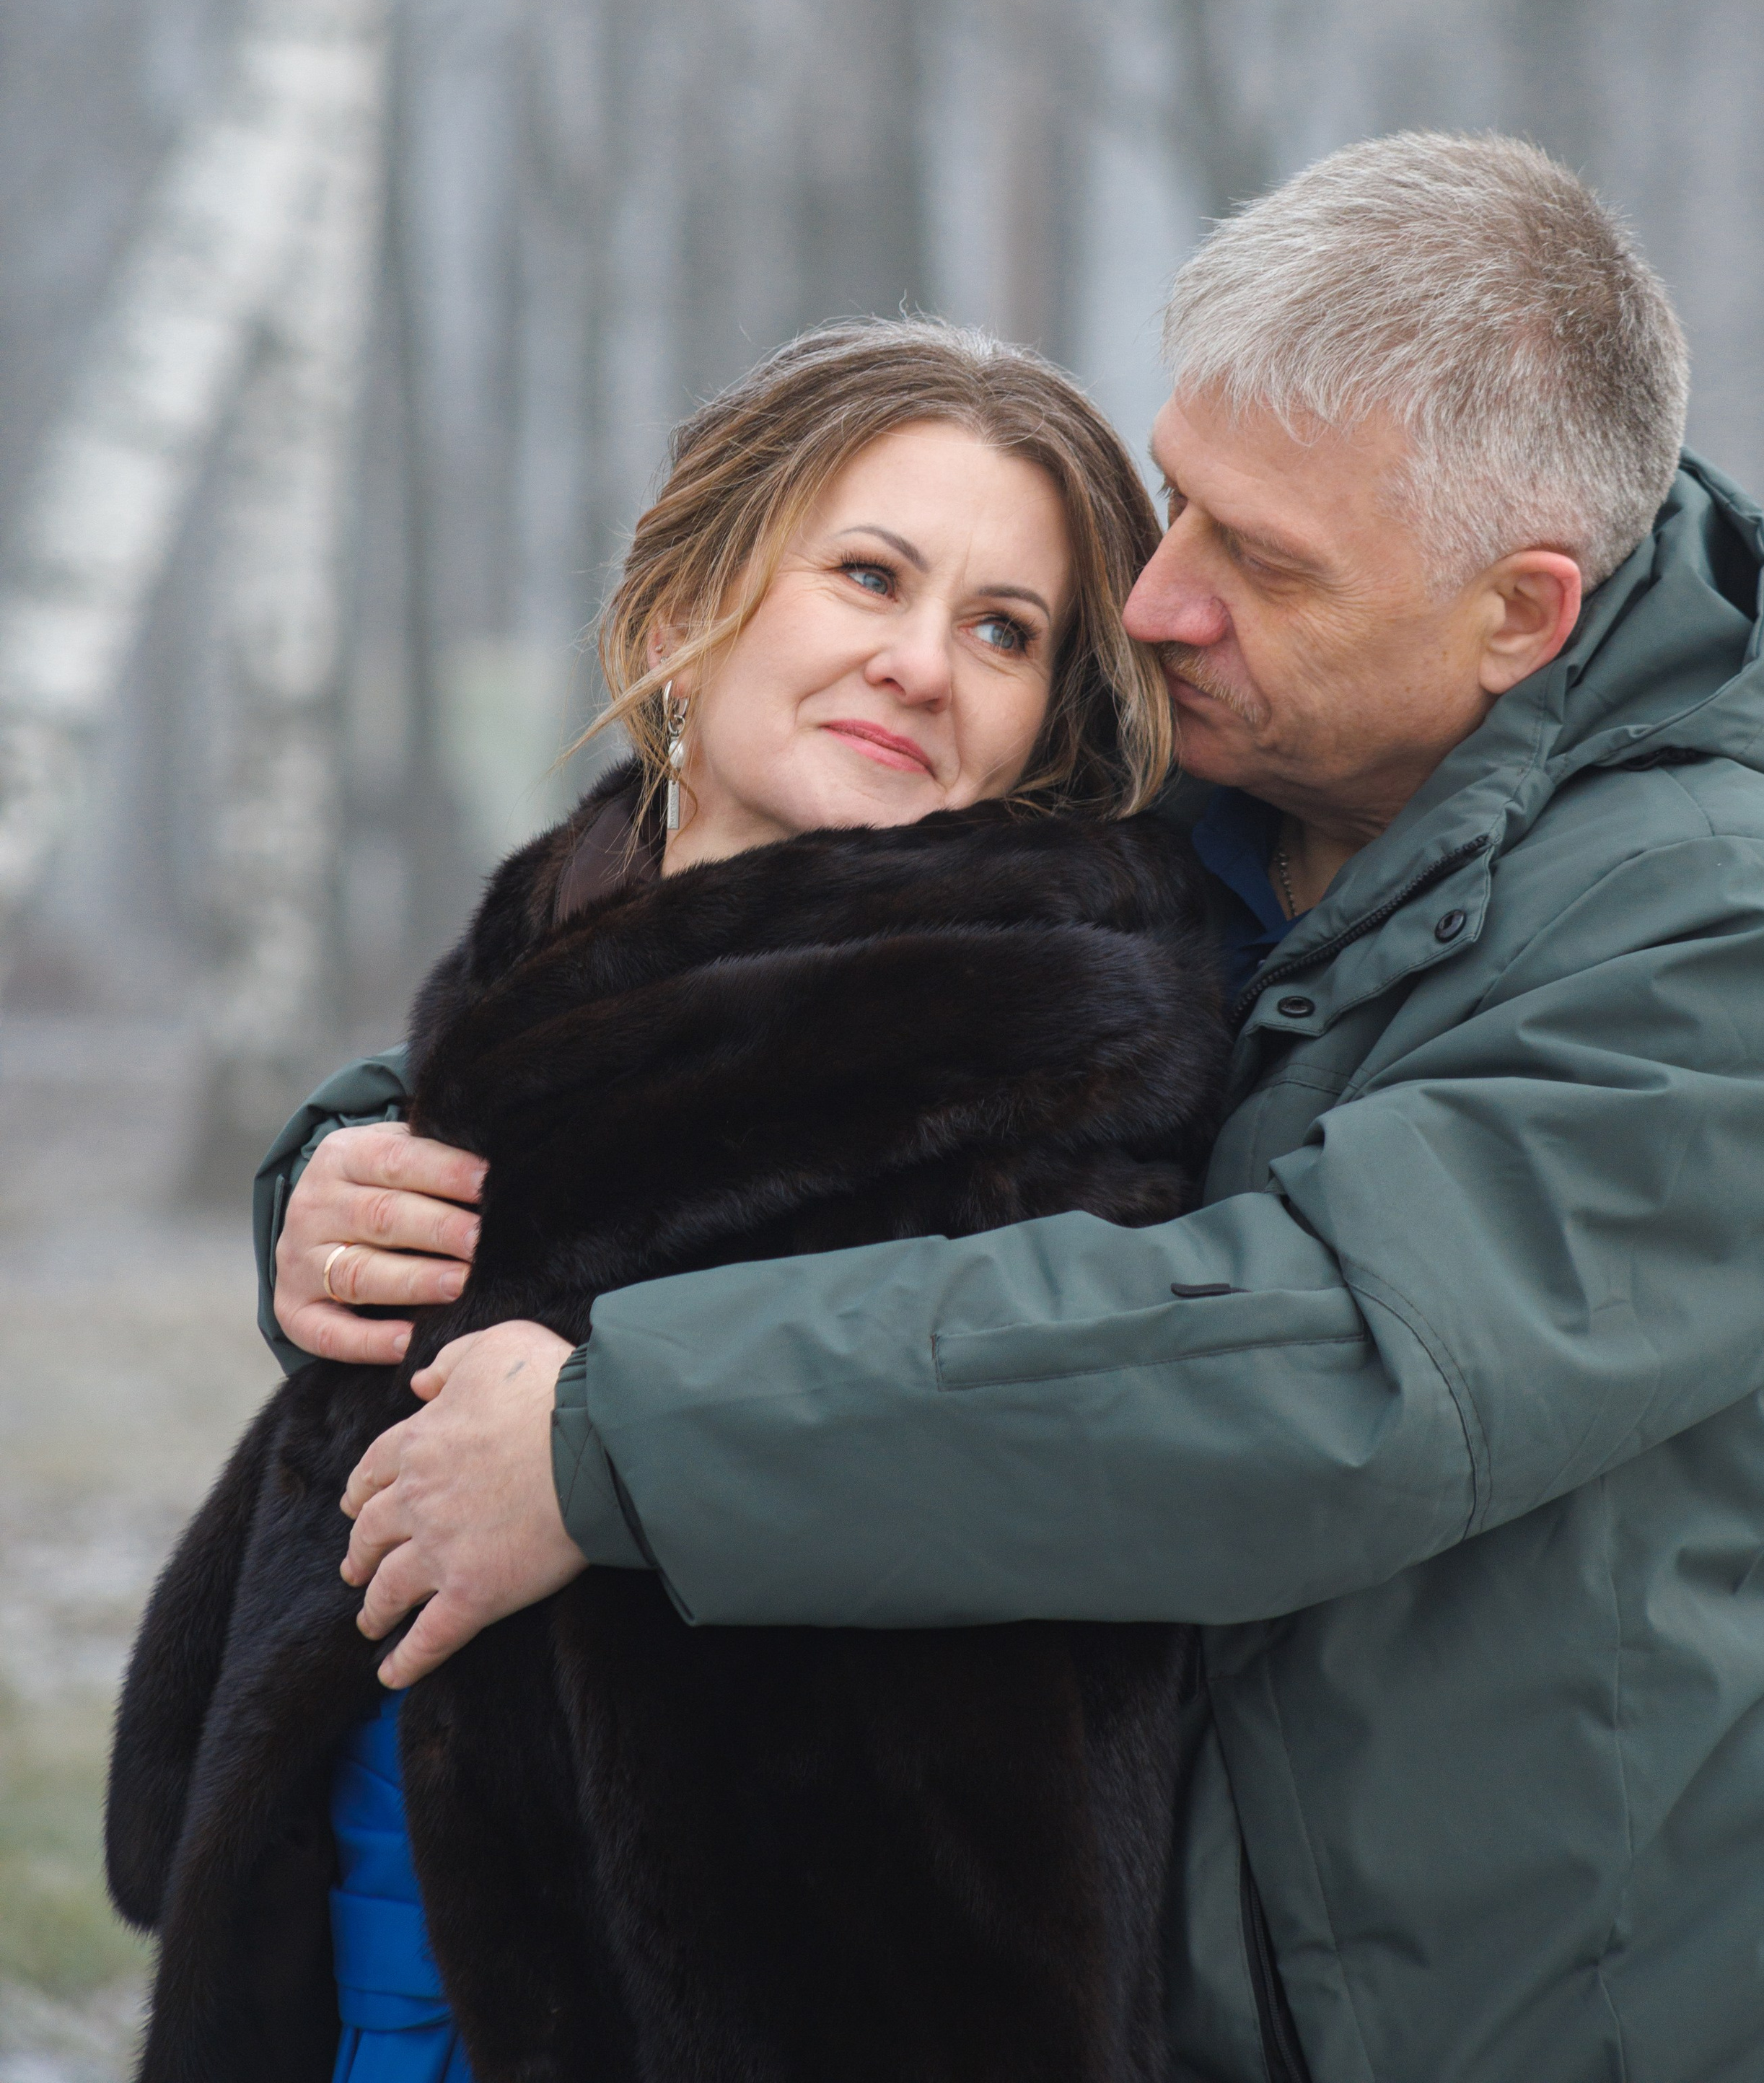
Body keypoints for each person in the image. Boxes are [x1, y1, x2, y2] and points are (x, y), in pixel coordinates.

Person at [247, 130, 1764, 2082]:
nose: (1157, 602)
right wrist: (346, 1163)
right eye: (1178, 501)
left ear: (1517, 613)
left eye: (1259, 559)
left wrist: (620, 1434)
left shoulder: (1730, 935)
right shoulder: (1214, 763)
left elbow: (1338, 1369)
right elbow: (739, 1010)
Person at [107, 322, 1233, 2083]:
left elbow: (1072, 1501)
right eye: (870, 575)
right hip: (363, 1964)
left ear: (1042, 728)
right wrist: (323, 1190)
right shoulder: (548, 967)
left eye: (1002, 630)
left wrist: (620, 1458)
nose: (919, 664)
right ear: (676, 615)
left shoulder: (1050, 1072)